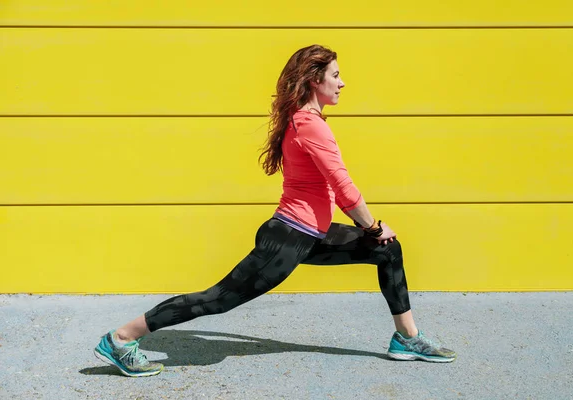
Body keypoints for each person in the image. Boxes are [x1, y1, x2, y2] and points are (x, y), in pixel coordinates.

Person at [94, 44, 456, 377]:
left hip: (312, 234)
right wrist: (374, 226)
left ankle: (407, 338)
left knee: (388, 251)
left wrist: (377, 237)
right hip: (288, 238)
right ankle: (122, 338)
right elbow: (344, 188)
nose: (343, 83)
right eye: (335, 75)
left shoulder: (304, 120)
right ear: (315, 80)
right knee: (217, 300)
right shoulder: (310, 125)